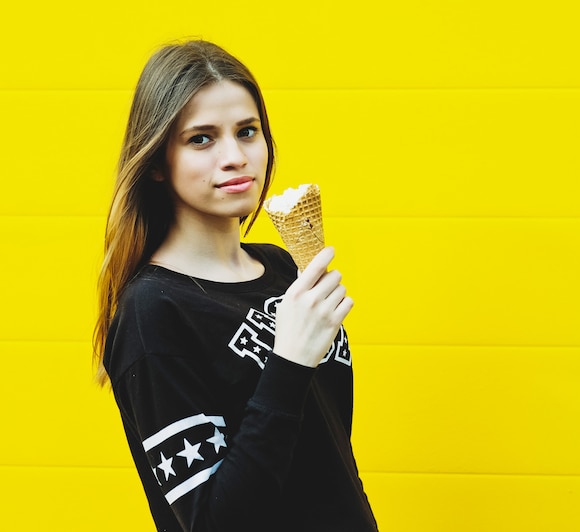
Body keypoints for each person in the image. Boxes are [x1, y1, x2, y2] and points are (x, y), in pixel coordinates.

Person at [93, 39, 378, 532]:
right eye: (201, 139)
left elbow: (329, 458)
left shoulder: (284, 271)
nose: (235, 156)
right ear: (157, 161)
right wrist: (288, 360)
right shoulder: (153, 311)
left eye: (247, 131)